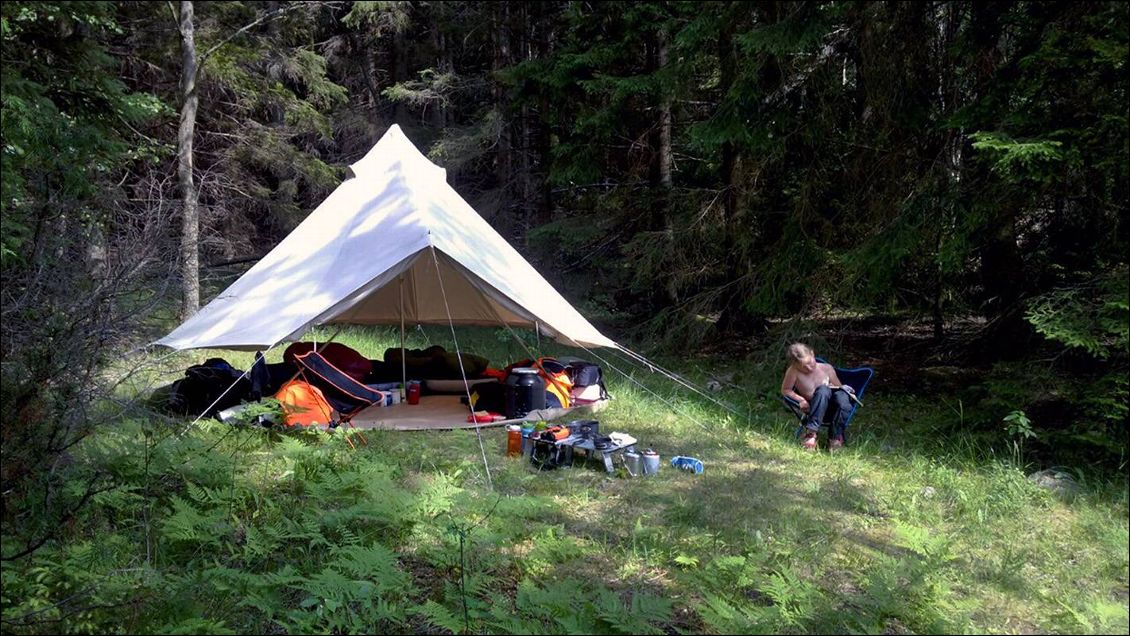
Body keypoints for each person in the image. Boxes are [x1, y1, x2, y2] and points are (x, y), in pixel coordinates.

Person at [780, 342, 854, 451]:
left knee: (841, 395)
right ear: (795, 365)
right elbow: (785, 390)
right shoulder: (793, 371)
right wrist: (801, 400)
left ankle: (834, 438)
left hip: (834, 410)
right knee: (823, 390)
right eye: (804, 367)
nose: (809, 368)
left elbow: (839, 387)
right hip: (814, 410)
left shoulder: (827, 368)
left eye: (810, 362)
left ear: (812, 354)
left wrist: (847, 390)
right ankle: (811, 434)